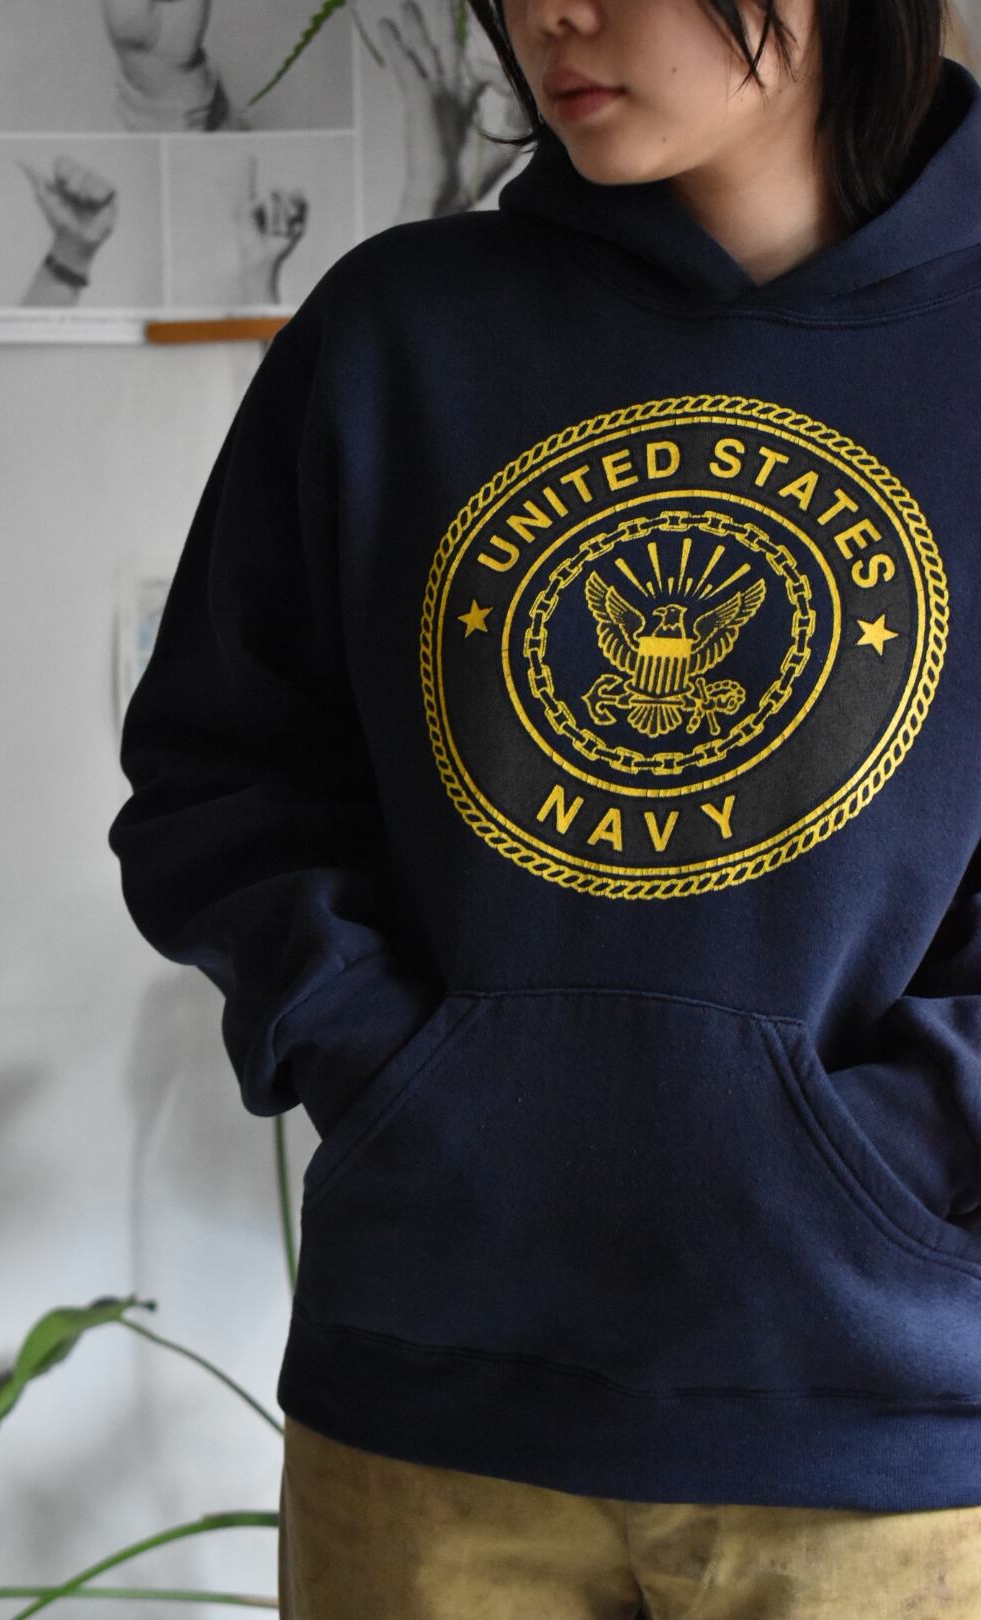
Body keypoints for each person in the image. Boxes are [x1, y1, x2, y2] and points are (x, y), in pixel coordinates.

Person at [107, 0, 981, 1612]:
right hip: (432, 1413)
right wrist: (392, 1070)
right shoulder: (399, 332)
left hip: (896, 1436)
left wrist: (901, 1158)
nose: (546, 14)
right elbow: (222, 779)